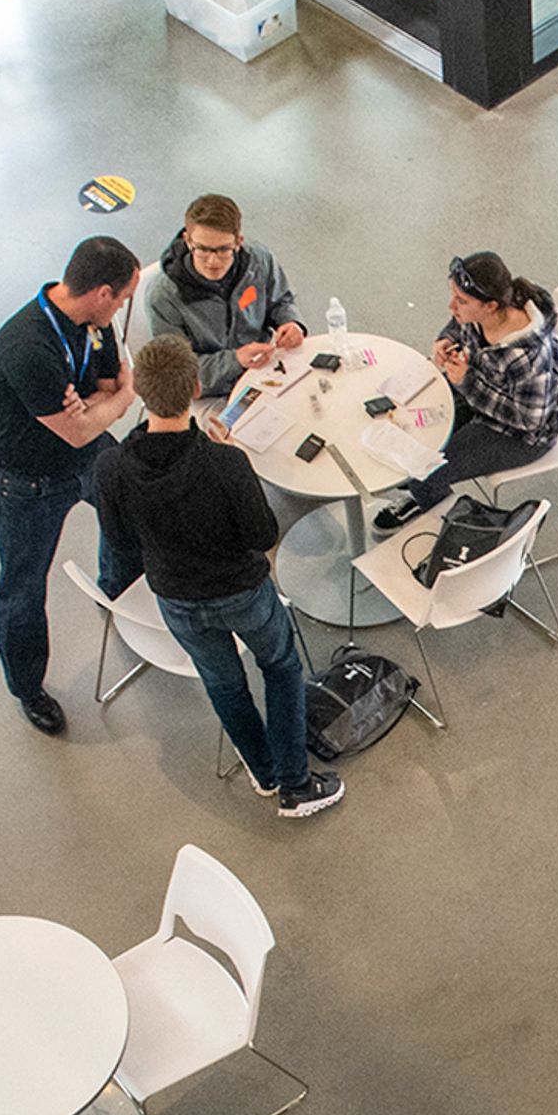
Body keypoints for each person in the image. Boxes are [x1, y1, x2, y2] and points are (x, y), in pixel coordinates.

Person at [94, 337, 342, 819]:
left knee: (223, 684)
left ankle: (264, 771)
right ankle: (296, 783)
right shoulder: (224, 463)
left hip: (177, 600)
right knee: (281, 667)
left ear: (142, 393)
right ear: (195, 387)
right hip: (242, 592)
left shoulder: (113, 467)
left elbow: (120, 542)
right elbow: (262, 533)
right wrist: (234, 464)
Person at [0, 237, 146, 736]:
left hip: (83, 457)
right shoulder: (26, 348)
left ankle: (117, 591)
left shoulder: (94, 324)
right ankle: (28, 689)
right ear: (100, 292)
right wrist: (114, 403)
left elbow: (108, 385)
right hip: (24, 483)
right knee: (23, 590)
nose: (122, 310)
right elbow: (93, 415)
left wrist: (95, 404)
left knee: (129, 511)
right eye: (121, 299)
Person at [368, 253, 558, 532]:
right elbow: (459, 324)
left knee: (422, 475)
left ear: (491, 306)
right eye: (453, 295)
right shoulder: (486, 312)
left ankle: (461, 531)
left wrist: (468, 383)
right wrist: (448, 339)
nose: (452, 306)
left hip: (519, 435)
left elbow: (529, 421)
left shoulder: (530, 357)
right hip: (481, 395)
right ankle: (423, 498)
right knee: (410, 432)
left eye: (461, 301)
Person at [133, 194, 305, 401]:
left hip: (264, 370)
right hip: (210, 393)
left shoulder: (261, 261)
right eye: (203, 249)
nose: (213, 261)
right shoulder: (164, 296)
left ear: (239, 242)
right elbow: (177, 374)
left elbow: (282, 301)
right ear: (188, 241)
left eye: (223, 249)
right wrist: (235, 360)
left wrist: (291, 322)